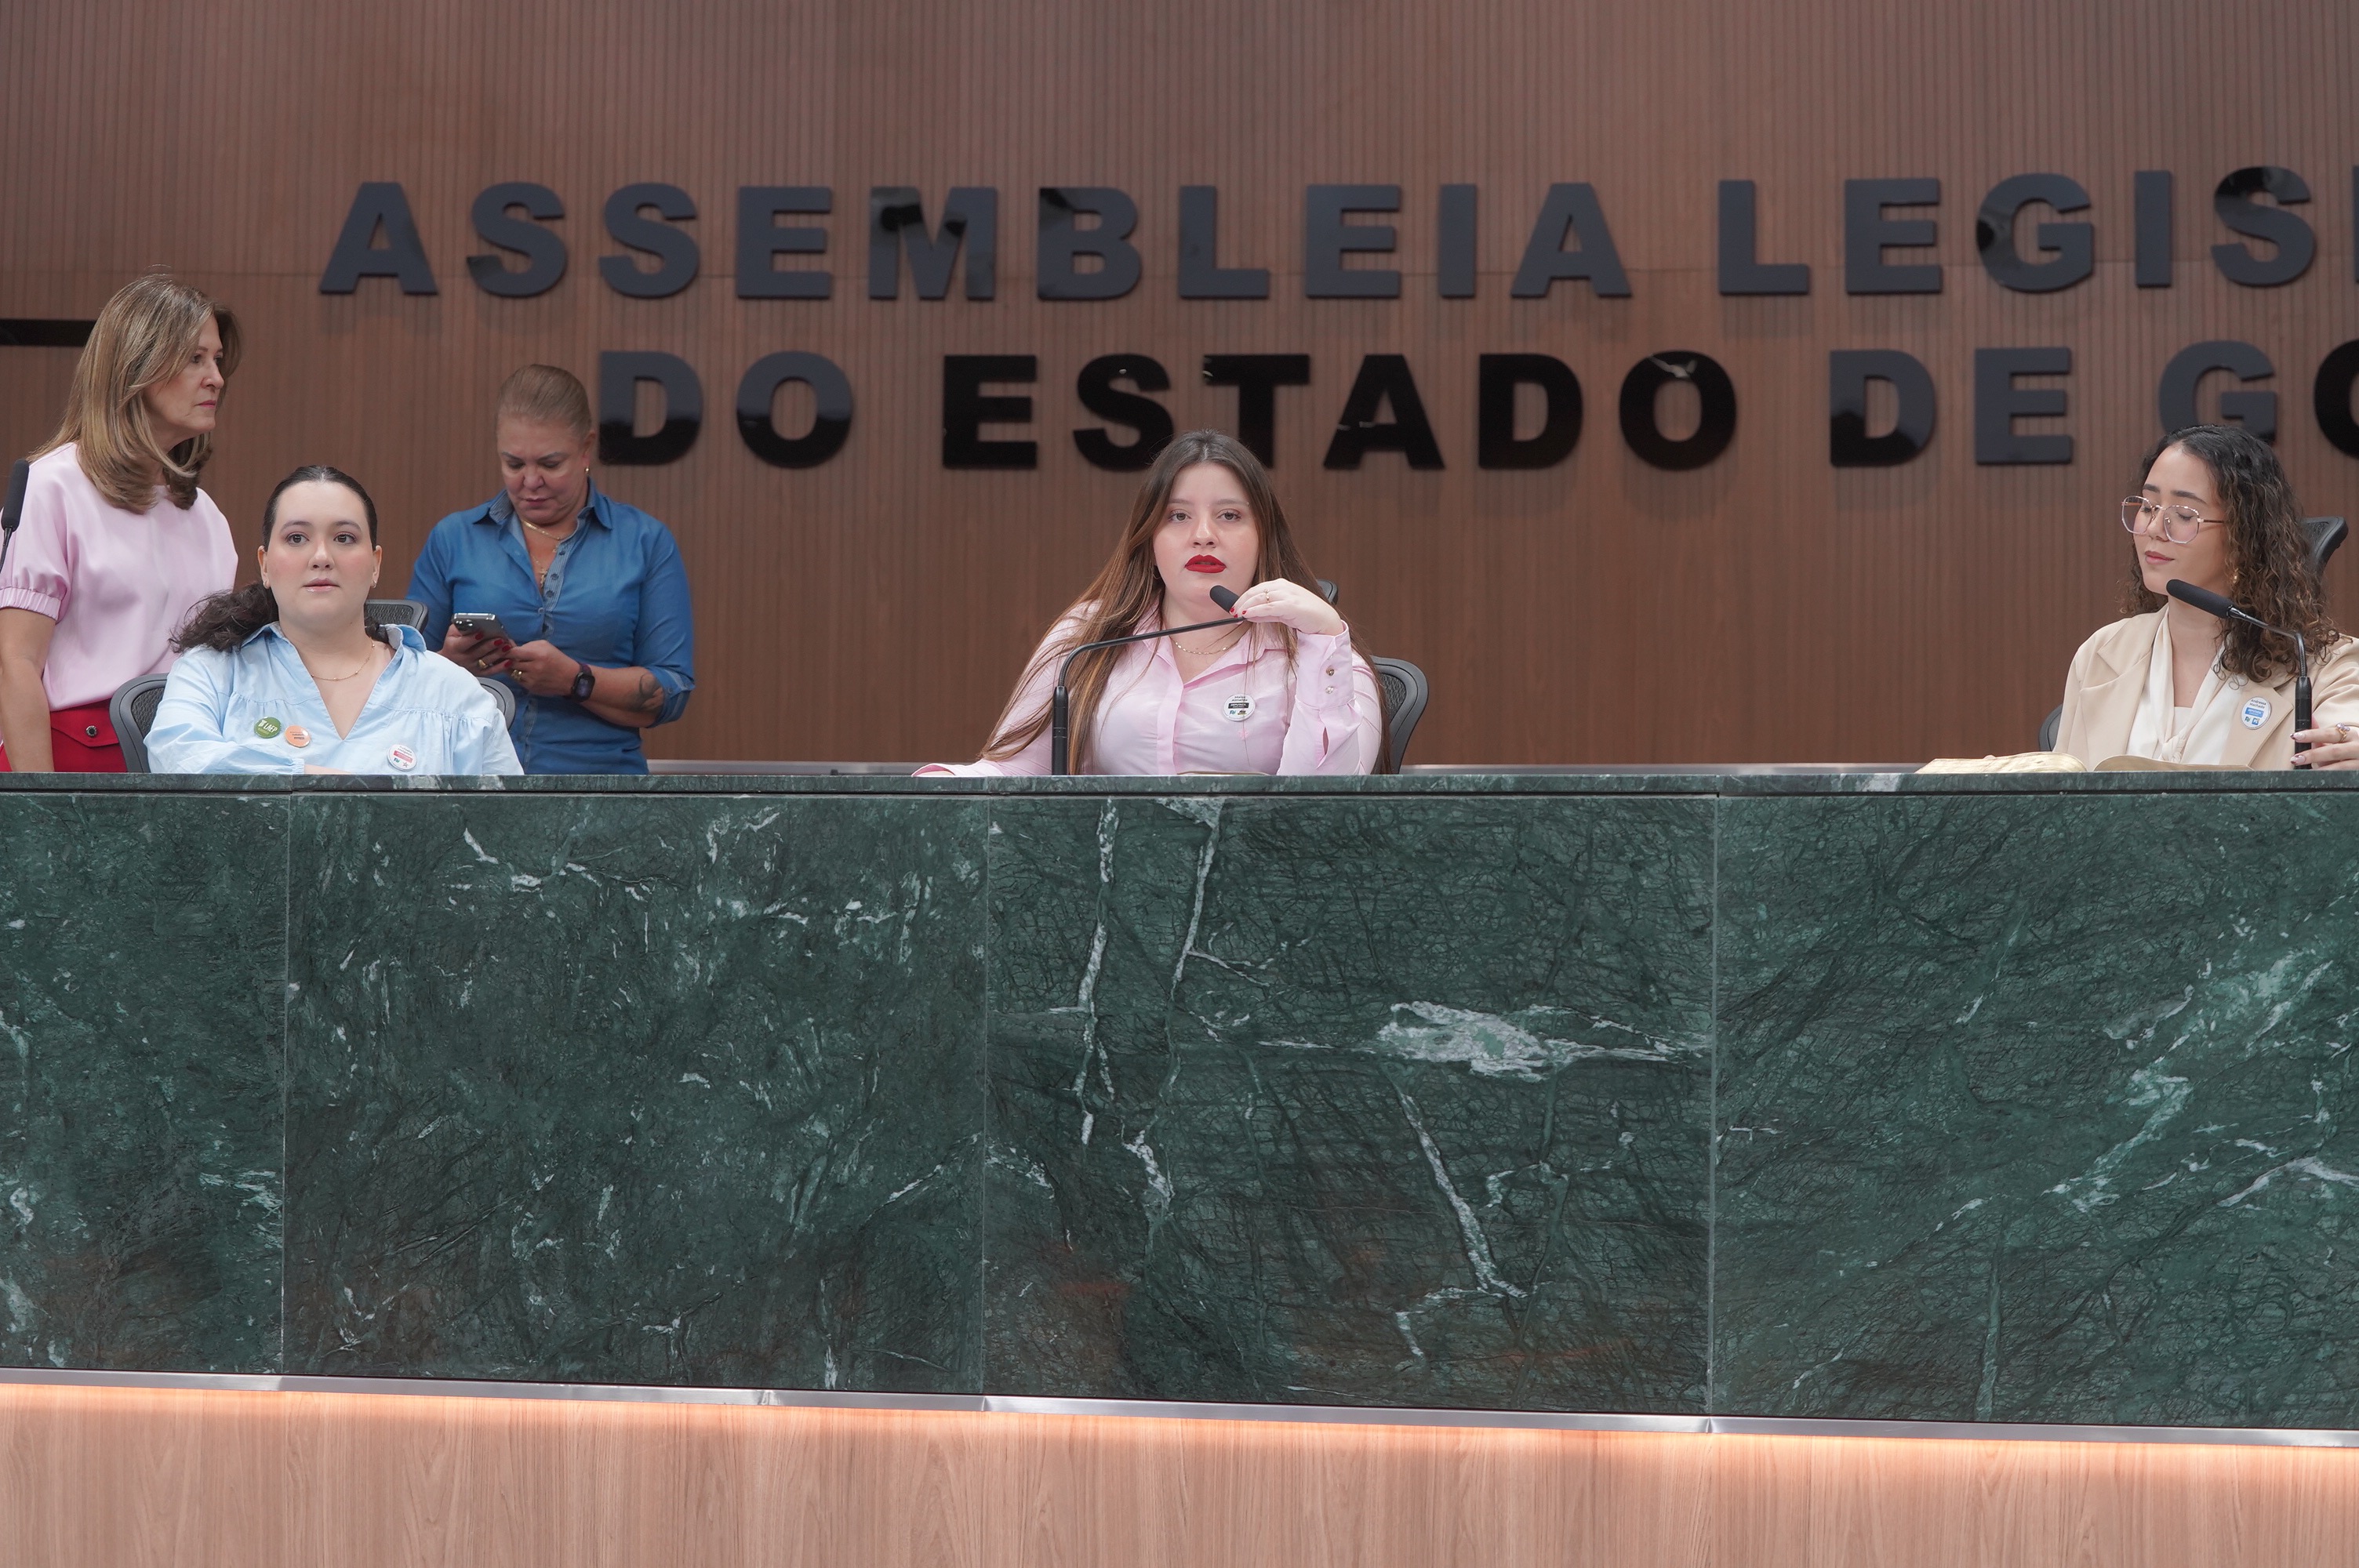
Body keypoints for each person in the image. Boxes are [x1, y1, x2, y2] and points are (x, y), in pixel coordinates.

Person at [919, 429, 1384, 776]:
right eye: (1178, 516)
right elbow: (1016, 773)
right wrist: (938, 788)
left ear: (1264, 537)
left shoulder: (1322, 653)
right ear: (1149, 539)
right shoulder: (1088, 637)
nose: (1203, 535)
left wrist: (1325, 642)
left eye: (1229, 515)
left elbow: (1329, 810)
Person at [0, 274, 240, 771]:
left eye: (217, 359)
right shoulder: (53, 486)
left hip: (178, 765)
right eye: (195, 358)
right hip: (70, 765)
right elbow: (14, 663)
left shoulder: (207, 516)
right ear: (137, 366)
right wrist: (42, 806)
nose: (216, 377)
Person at [408, 365, 694, 774]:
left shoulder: (644, 542)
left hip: (600, 787)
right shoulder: (454, 538)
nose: (531, 481)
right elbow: (401, 681)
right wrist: (448, 666)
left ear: (586, 449)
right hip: (474, 781)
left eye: (550, 463)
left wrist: (576, 680)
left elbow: (672, 691)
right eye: (513, 464)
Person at [147, 466, 519, 775]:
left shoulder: (453, 692)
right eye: (297, 538)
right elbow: (177, 759)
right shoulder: (211, 671)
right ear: (265, 565)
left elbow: (508, 825)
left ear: (375, 564)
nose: (322, 556)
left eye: (344, 538)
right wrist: (319, 784)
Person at [2056, 423, 2359, 769]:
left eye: (2184, 515)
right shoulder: (2102, 654)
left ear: (2245, 536)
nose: (2153, 529)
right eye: (2148, 507)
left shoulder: (2321, 665)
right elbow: (2061, 789)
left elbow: (2347, 730)